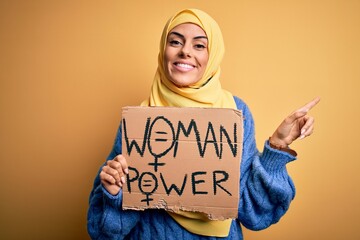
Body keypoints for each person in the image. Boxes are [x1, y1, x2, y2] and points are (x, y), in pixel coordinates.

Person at [87, 8, 320, 239]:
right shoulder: (140, 121)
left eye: (199, 45)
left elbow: (253, 213)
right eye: (175, 42)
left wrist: (277, 146)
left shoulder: (236, 113)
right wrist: (115, 193)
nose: (185, 52)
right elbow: (103, 232)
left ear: (213, 54)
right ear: (163, 50)